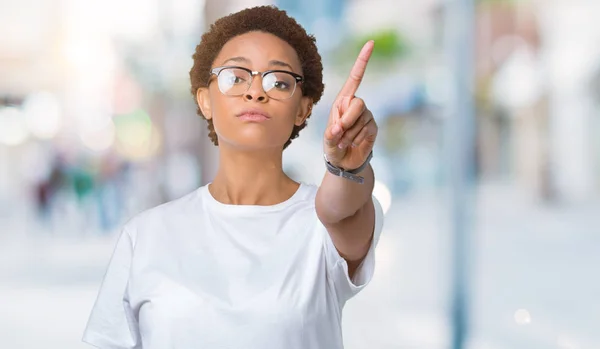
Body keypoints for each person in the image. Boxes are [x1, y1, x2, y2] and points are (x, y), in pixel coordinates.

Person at [82, 5, 384, 349]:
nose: (255, 92)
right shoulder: (144, 236)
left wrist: (346, 165)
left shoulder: (323, 229)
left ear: (303, 108)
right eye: (235, 77)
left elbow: (338, 209)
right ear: (205, 99)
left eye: (279, 81)